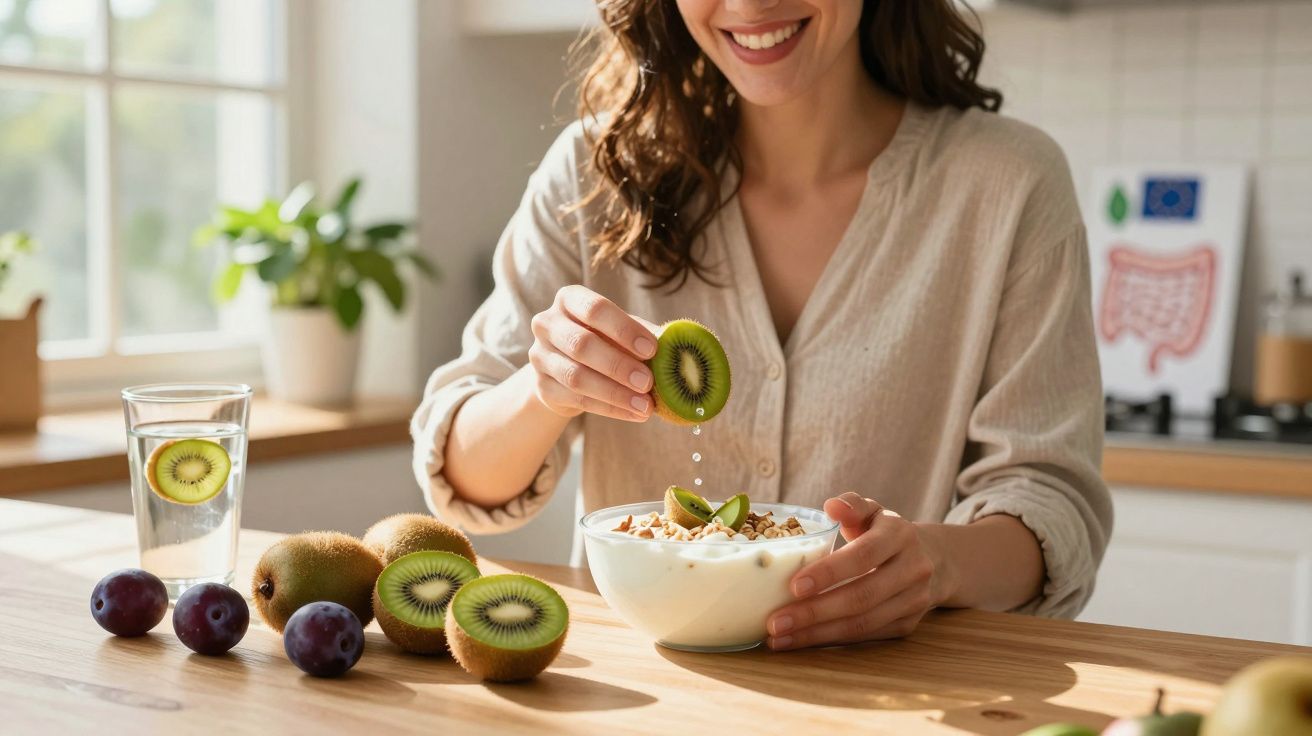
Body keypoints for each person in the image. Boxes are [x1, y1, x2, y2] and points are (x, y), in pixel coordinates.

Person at [412, 0, 1112, 651]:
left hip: (883, 702)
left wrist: (938, 563)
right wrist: (543, 390)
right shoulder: (591, 175)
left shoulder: (1009, 183)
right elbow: (466, 479)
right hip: (640, 702)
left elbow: (1050, 502)